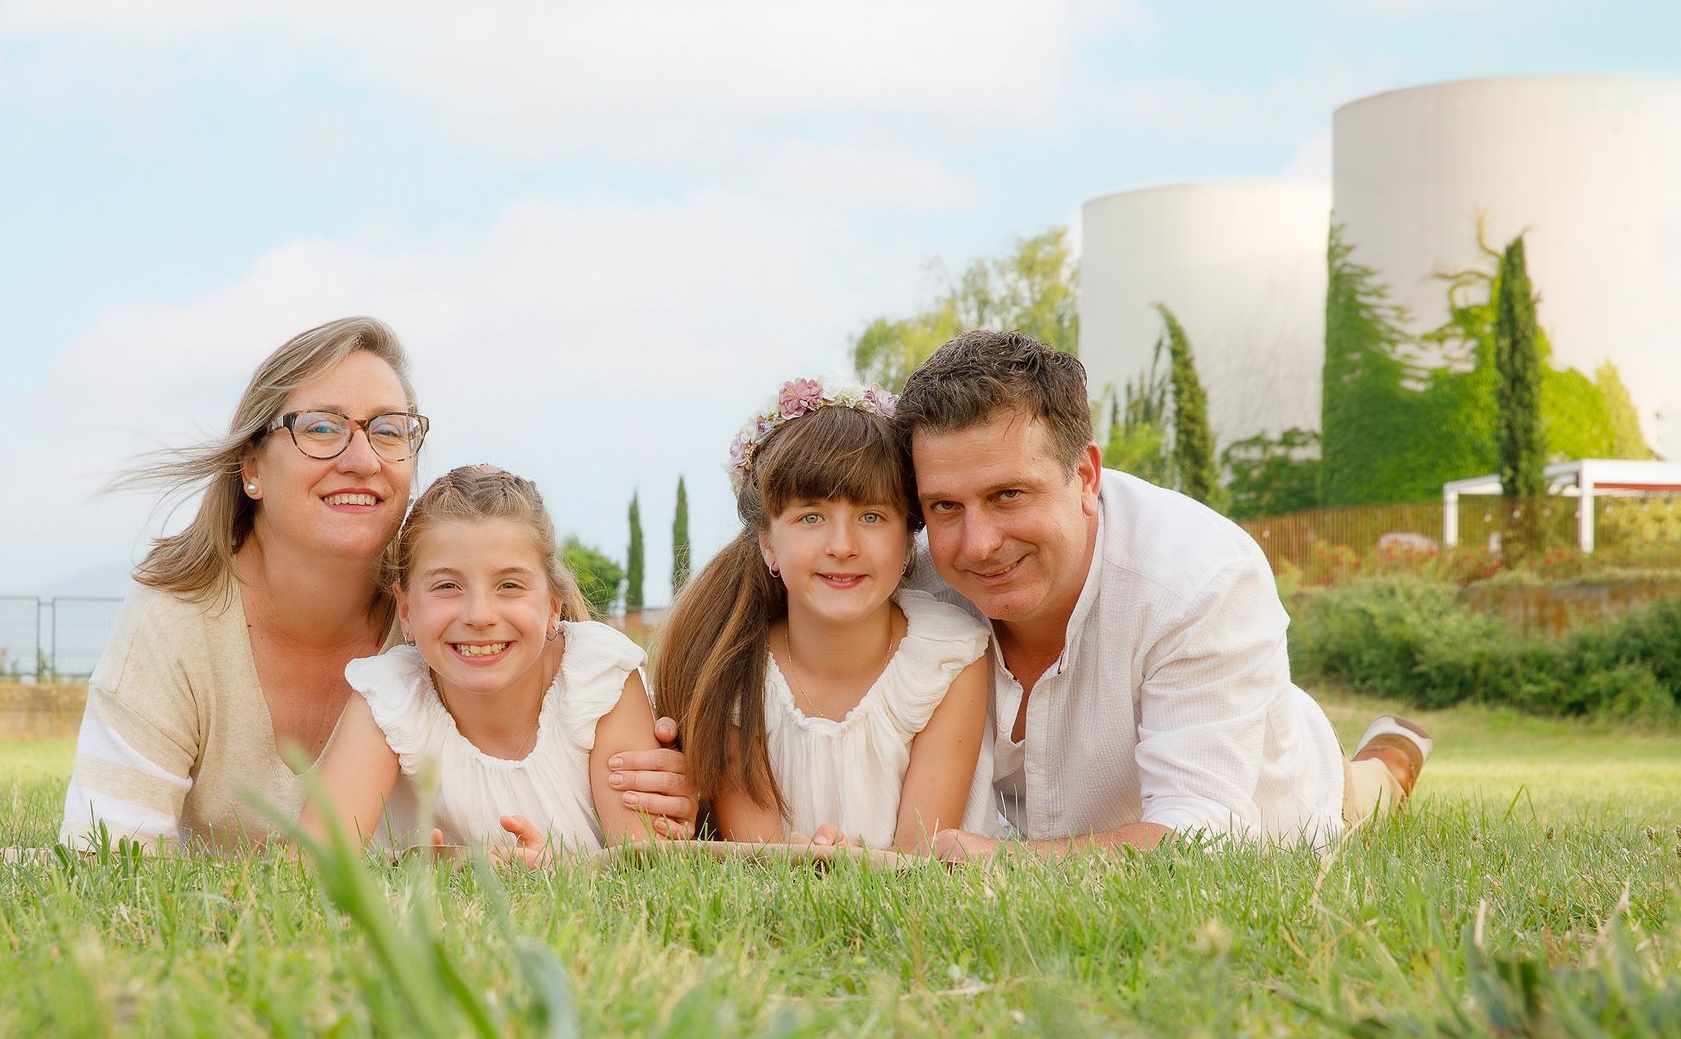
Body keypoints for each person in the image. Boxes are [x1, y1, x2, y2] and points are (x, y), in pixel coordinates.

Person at [0, 318, 693, 865]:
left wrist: (676, 783)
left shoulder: (465, 619)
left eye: (389, 429)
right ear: (251, 466)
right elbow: (111, 857)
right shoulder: (178, 623)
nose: (360, 456)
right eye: (320, 427)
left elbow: (595, 761)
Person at [893, 330, 1432, 858]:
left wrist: (999, 857)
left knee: (1367, 795)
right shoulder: (906, 578)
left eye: (1008, 495)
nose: (978, 545)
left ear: (1085, 477)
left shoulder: (1201, 578)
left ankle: (1392, 757)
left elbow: (1203, 834)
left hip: (1283, 784)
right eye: (944, 507)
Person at [651, 379, 995, 852]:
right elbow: (761, 863)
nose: (842, 546)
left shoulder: (950, 657)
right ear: (767, 543)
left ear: (907, 537)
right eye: (810, 517)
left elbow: (922, 857)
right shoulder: (731, 663)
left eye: (872, 516)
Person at [298, 465, 667, 863]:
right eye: (447, 586)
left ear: (552, 606)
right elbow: (310, 865)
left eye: (509, 585)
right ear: (405, 610)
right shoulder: (391, 697)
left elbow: (643, 864)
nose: (479, 615)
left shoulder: (600, 677)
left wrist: (562, 869)